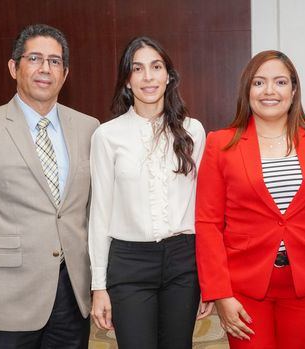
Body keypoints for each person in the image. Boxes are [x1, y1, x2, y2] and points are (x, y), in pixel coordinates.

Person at [0, 24, 99, 348]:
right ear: (14, 67)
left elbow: (90, 208)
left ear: (65, 74)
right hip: (9, 291)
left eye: (55, 62)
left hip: (73, 292)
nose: (45, 69)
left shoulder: (88, 128)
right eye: (35, 58)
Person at [195, 50, 305, 349]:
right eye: (259, 83)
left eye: (279, 82)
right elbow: (208, 222)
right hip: (244, 285)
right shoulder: (221, 143)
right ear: (247, 90)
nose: (269, 91)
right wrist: (220, 293)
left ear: (293, 90)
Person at [88, 36, 208, 349]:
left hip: (184, 261)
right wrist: (98, 285)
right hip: (129, 263)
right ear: (127, 81)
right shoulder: (106, 135)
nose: (148, 77)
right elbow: (99, 215)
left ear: (168, 76)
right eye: (137, 69)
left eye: (156, 67)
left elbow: (203, 210)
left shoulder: (193, 131)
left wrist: (209, 279)